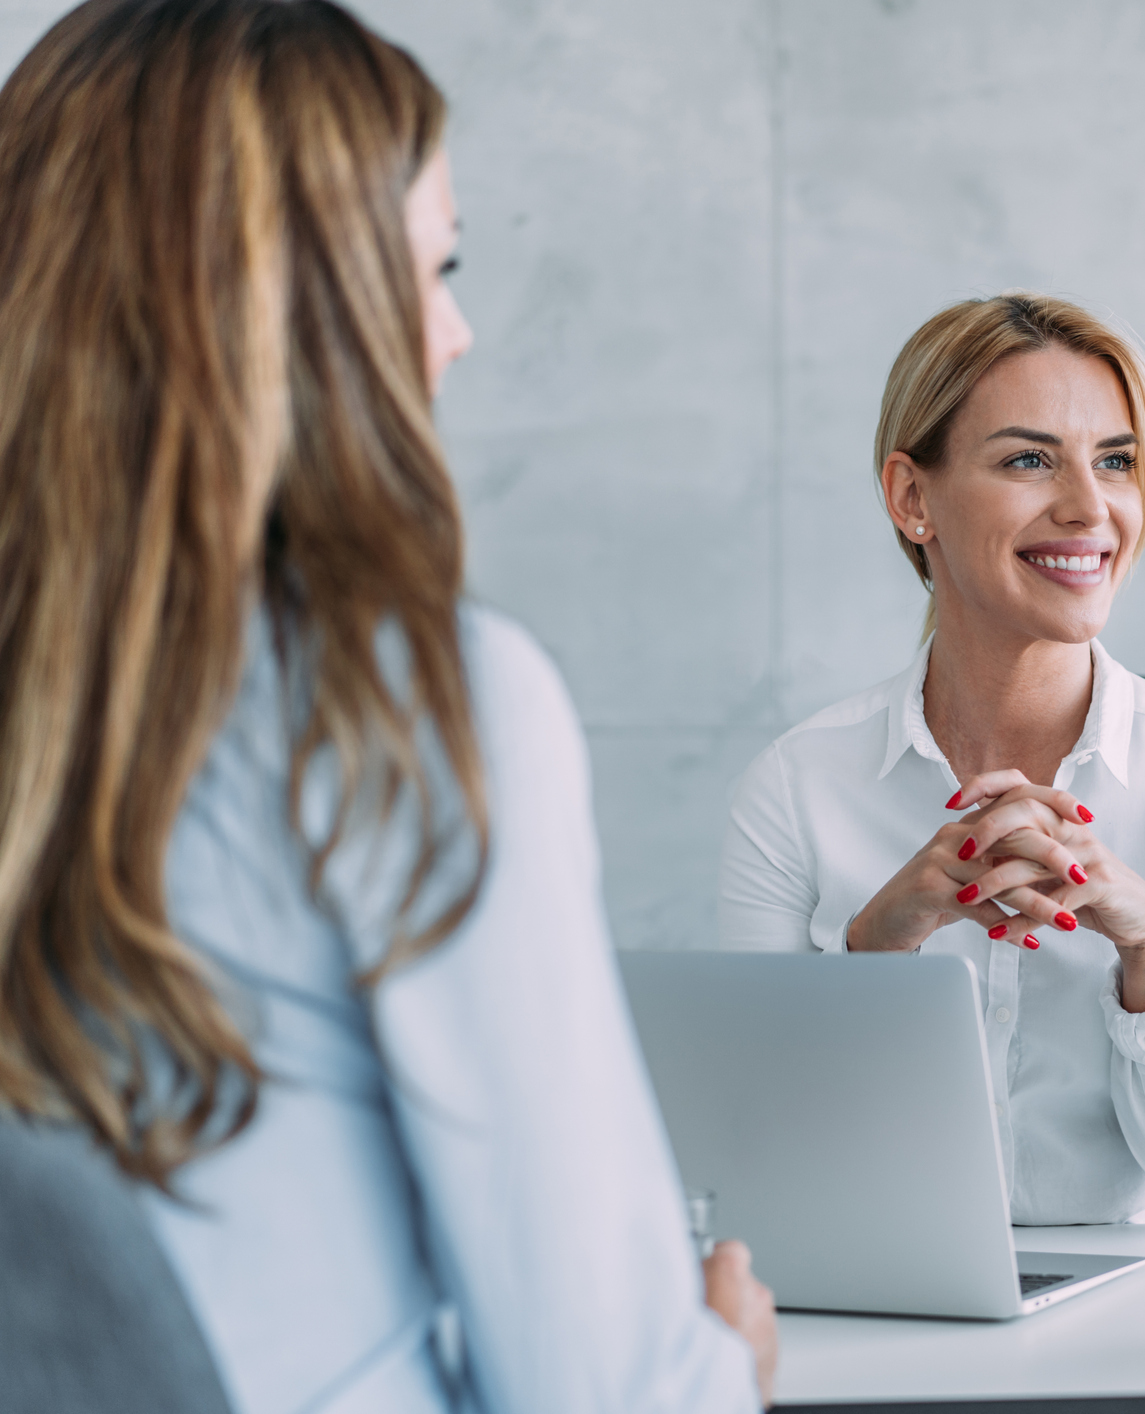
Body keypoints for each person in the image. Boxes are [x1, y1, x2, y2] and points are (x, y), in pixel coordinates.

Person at [0, 2, 774, 1409]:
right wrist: (723, 1358)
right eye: (435, 267)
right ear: (312, 305)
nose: (458, 332)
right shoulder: (398, 702)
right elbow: (597, 1388)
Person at [720, 293, 1145, 1229]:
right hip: (886, 1326)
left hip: (1141, 1338)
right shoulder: (797, 791)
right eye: (1029, 459)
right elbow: (756, 1162)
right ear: (914, 499)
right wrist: (877, 948)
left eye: (1116, 461)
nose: (1088, 507)